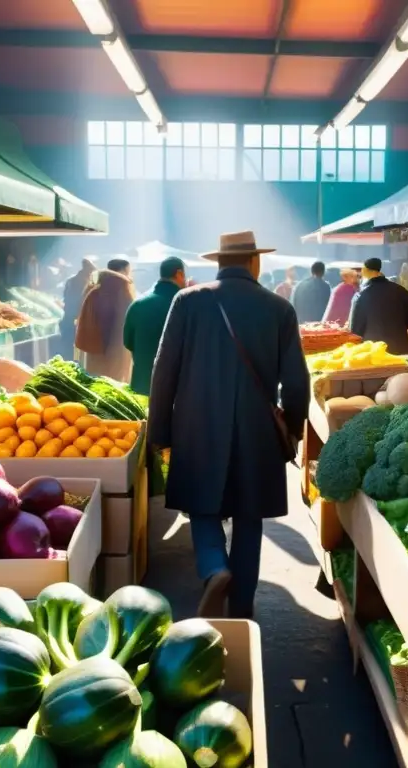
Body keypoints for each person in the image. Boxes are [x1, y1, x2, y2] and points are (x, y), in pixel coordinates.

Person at [148, 231, 309, 619]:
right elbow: (297, 380)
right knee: (248, 517)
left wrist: (160, 432)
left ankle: (214, 568)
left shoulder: (188, 301)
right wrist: (292, 429)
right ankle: (241, 604)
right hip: (257, 431)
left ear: (218, 262)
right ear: (255, 262)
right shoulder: (278, 308)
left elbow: (164, 370)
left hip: (196, 425)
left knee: (201, 508)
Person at [123, 256, 186, 396]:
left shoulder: (137, 304)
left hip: (143, 385)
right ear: (179, 274)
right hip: (178, 387)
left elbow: (128, 343)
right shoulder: (187, 305)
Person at [349, 257, 408, 355]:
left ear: (364, 271)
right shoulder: (400, 290)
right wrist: (398, 327)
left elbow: (354, 329)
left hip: (374, 352)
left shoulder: (360, 295)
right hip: (401, 348)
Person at [75, 268, 134, 381]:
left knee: (95, 382)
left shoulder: (94, 294)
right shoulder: (123, 297)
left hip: (94, 351)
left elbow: (83, 326)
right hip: (115, 352)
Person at [60, 258, 96, 358]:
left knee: (69, 349)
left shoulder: (71, 281)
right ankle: (74, 362)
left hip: (68, 321)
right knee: (75, 352)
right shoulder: (84, 284)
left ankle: (71, 361)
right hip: (76, 323)